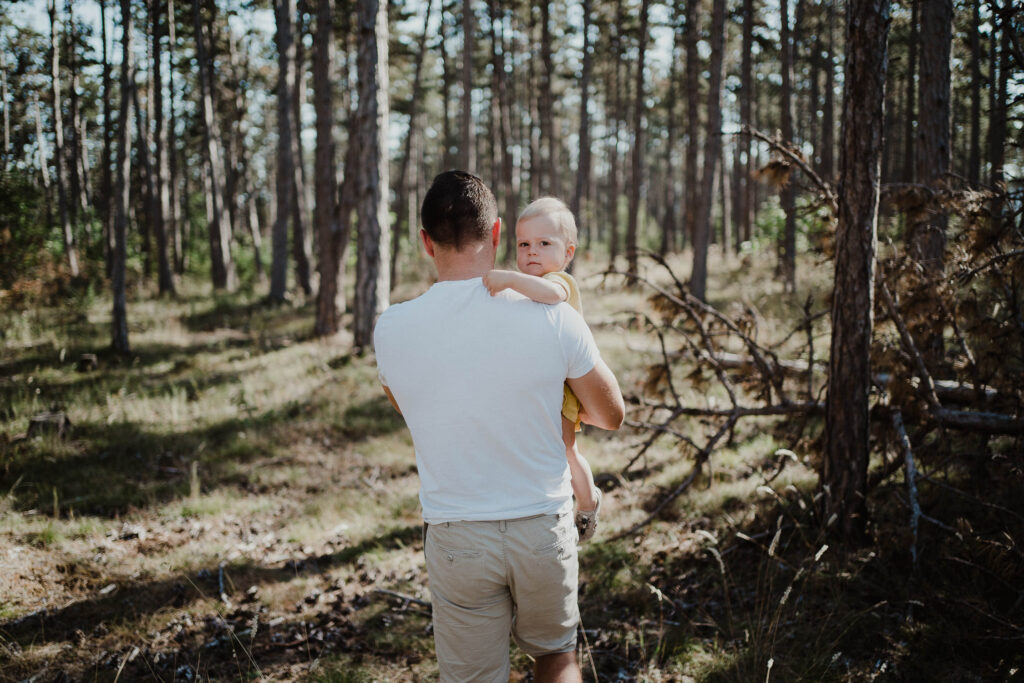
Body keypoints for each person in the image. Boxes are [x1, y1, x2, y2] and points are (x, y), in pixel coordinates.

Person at [373, 171, 624, 682]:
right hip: (541, 525)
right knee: (556, 659)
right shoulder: (551, 314)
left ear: (425, 241)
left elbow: (412, 407)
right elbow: (610, 415)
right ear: (496, 234)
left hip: (457, 533)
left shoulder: (392, 328)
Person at [482, 197, 603, 542]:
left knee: (566, 449)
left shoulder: (559, 281)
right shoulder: (528, 287)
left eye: (544, 244)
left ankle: (587, 504)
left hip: (565, 388)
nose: (531, 252)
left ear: (567, 253)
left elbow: (550, 296)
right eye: (524, 244)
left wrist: (508, 279)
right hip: (541, 385)